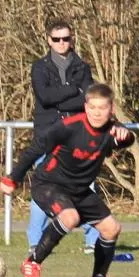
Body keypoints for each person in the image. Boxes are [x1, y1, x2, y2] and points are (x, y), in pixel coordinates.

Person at [1, 82, 136, 277]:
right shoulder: (69, 126)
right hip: (49, 184)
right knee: (70, 217)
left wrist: (126, 134)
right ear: (85, 107)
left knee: (111, 229)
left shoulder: (111, 130)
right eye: (92, 107)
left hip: (79, 190)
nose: (97, 113)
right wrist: (13, 178)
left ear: (111, 109)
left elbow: (125, 140)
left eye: (102, 108)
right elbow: (36, 148)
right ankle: (33, 262)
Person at [27, 21, 95, 252]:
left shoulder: (82, 67)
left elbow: (87, 98)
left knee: (87, 186)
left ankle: (93, 241)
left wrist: (65, 98)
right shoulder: (39, 67)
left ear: (72, 39)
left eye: (66, 38)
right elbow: (45, 97)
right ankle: (35, 242)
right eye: (56, 39)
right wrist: (72, 89)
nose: (62, 43)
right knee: (42, 190)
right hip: (48, 135)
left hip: (77, 136)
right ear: (49, 40)